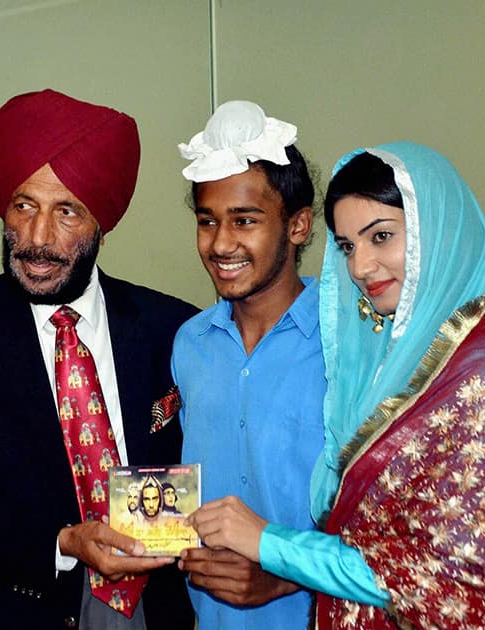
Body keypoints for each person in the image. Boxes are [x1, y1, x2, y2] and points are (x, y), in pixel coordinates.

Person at [188, 142, 485, 628]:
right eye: (348, 246)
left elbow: (447, 578)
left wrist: (269, 544)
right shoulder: (387, 352)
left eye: (381, 236)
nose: (361, 267)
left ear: (438, 233)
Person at [0, 89, 197, 630]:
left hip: (154, 609)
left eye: (66, 211)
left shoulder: (172, 329)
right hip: (18, 607)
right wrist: (64, 542)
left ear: (102, 223)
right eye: (24, 206)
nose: (37, 239)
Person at [171, 100, 325, 628]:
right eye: (207, 221)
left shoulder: (349, 342)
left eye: (246, 220)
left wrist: (285, 573)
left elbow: (392, 517)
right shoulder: (190, 344)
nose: (220, 243)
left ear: (299, 225)